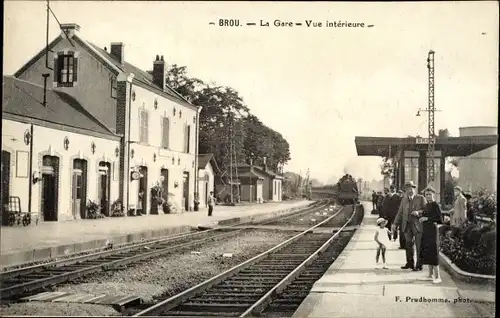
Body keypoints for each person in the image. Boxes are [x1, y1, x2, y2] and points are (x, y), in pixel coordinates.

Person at [392, 181, 427, 271]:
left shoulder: (421, 198)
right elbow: (400, 213)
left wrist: (418, 212)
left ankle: (419, 265)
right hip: (407, 225)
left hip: (417, 225)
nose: (409, 190)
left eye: (411, 188)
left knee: (419, 245)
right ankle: (410, 263)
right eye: (407, 189)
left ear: (414, 188)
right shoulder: (404, 199)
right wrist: (395, 223)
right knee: (408, 244)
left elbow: (426, 210)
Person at [416, 186, 443, 284]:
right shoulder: (427, 205)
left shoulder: (436, 205)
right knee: (428, 252)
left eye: (429, 194)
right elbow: (427, 214)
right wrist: (422, 217)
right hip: (426, 230)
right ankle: (430, 275)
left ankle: (438, 276)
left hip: (433, 231)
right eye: (426, 194)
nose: (428, 196)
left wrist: (427, 219)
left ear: (433, 195)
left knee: (433, 252)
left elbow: (439, 219)